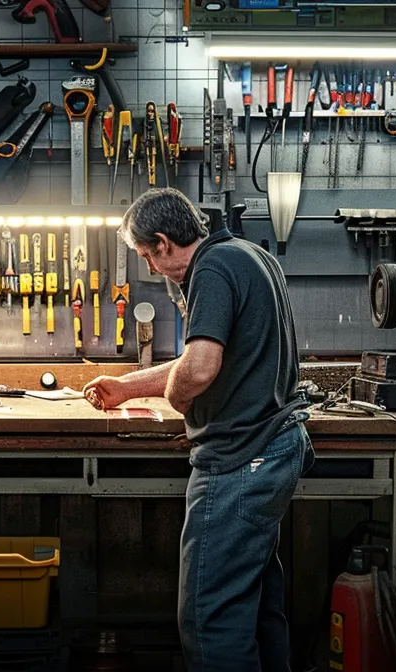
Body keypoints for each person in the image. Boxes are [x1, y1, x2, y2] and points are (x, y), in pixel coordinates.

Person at [83, 188, 311, 671]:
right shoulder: (247, 255)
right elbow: (212, 358)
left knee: (211, 617)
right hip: (274, 449)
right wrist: (126, 387)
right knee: (256, 608)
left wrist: (175, 397)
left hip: (239, 461)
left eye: (147, 256)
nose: (150, 267)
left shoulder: (211, 269)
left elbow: (201, 368)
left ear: (164, 243)